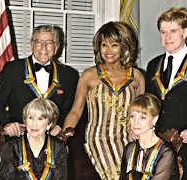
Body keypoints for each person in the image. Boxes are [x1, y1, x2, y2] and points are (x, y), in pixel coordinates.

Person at [129, 7, 187, 180]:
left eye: (173, 31)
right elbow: (148, 107)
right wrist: (137, 127)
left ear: (185, 32)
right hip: (155, 146)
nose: (167, 37)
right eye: (163, 32)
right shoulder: (153, 65)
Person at [55, 21, 145, 180]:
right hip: (99, 138)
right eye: (104, 45)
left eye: (114, 45)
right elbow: (76, 110)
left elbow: (144, 113)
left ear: (124, 47)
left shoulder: (136, 76)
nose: (108, 50)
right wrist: (65, 134)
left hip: (130, 137)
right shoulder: (89, 75)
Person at [0, 24, 79, 179]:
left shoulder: (69, 75)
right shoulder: (13, 69)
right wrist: (7, 124)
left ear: (56, 47)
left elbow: (70, 108)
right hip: (19, 141)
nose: (44, 47)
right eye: (39, 42)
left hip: (52, 143)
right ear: (31, 45)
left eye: (49, 43)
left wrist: (61, 125)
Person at [0, 98, 67, 180]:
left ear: (49, 124)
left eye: (40, 119)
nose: (34, 124)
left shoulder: (58, 147)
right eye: (30, 118)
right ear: (25, 121)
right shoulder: (12, 147)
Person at [120, 93, 179, 180]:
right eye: (132, 116)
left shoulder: (165, 153)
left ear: (155, 119)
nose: (136, 122)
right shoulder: (129, 148)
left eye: (142, 117)